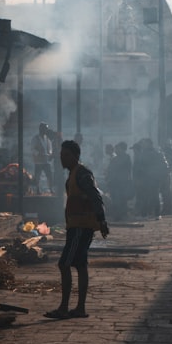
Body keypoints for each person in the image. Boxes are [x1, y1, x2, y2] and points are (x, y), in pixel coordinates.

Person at [44, 140, 109, 320]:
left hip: (81, 226)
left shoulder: (82, 174)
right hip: (77, 225)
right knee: (80, 265)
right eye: (61, 156)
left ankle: (64, 308)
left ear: (75, 156)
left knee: (64, 264)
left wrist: (102, 220)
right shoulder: (74, 174)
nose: (62, 159)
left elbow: (96, 196)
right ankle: (79, 308)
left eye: (65, 155)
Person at [30, 122, 54, 194]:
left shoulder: (47, 139)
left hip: (46, 161)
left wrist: (50, 153)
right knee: (38, 176)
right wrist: (38, 154)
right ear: (41, 129)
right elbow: (32, 149)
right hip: (38, 161)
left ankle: (51, 189)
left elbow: (49, 148)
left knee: (49, 175)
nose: (46, 130)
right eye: (45, 129)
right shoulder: (35, 138)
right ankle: (37, 190)